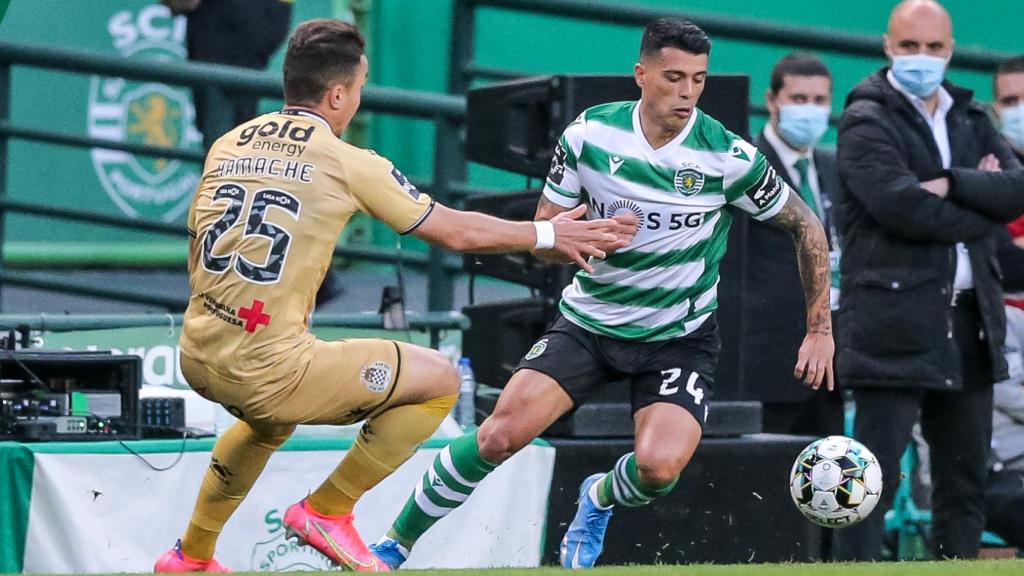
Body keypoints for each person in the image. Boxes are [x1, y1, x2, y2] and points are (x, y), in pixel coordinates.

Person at [153, 19, 623, 573]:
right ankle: (327, 511)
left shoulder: (228, 143)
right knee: (439, 382)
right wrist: (549, 233)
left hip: (198, 351)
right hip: (269, 372)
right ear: (336, 95)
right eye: (359, 87)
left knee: (268, 422)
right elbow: (456, 233)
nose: (358, 98)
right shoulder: (347, 162)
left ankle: (191, 556)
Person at [368, 18, 834, 570]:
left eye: (699, 80)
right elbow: (543, 234)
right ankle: (392, 545)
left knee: (659, 469)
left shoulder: (727, 157)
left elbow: (807, 226)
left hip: (677, 339)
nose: (687, 93)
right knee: (497, 436)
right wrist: (572, 241)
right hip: (589, 324)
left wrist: (820, 330)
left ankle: (598, 496)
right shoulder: (589, 135)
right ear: (641, 75)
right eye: (674, 77)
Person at [833, 0, 1024, 561]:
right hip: (890, 322)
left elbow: (1016, 189)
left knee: (964, 485)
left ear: (950, 50)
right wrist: (980, 202)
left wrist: (946, 182)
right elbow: (900, 207)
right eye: (910, 46)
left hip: (971, 321)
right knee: (868, 484)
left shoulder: (971, 118)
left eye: (935, 48)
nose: (923, 58)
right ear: (889, 46)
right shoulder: (865, 118)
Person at [745, 53, 844, 436]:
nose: (810, 111)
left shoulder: (834, 167)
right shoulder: (748, 166)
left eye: (819, 101)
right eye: (798, 99)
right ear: (772, 101)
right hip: (770, 365)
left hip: (833, 366)